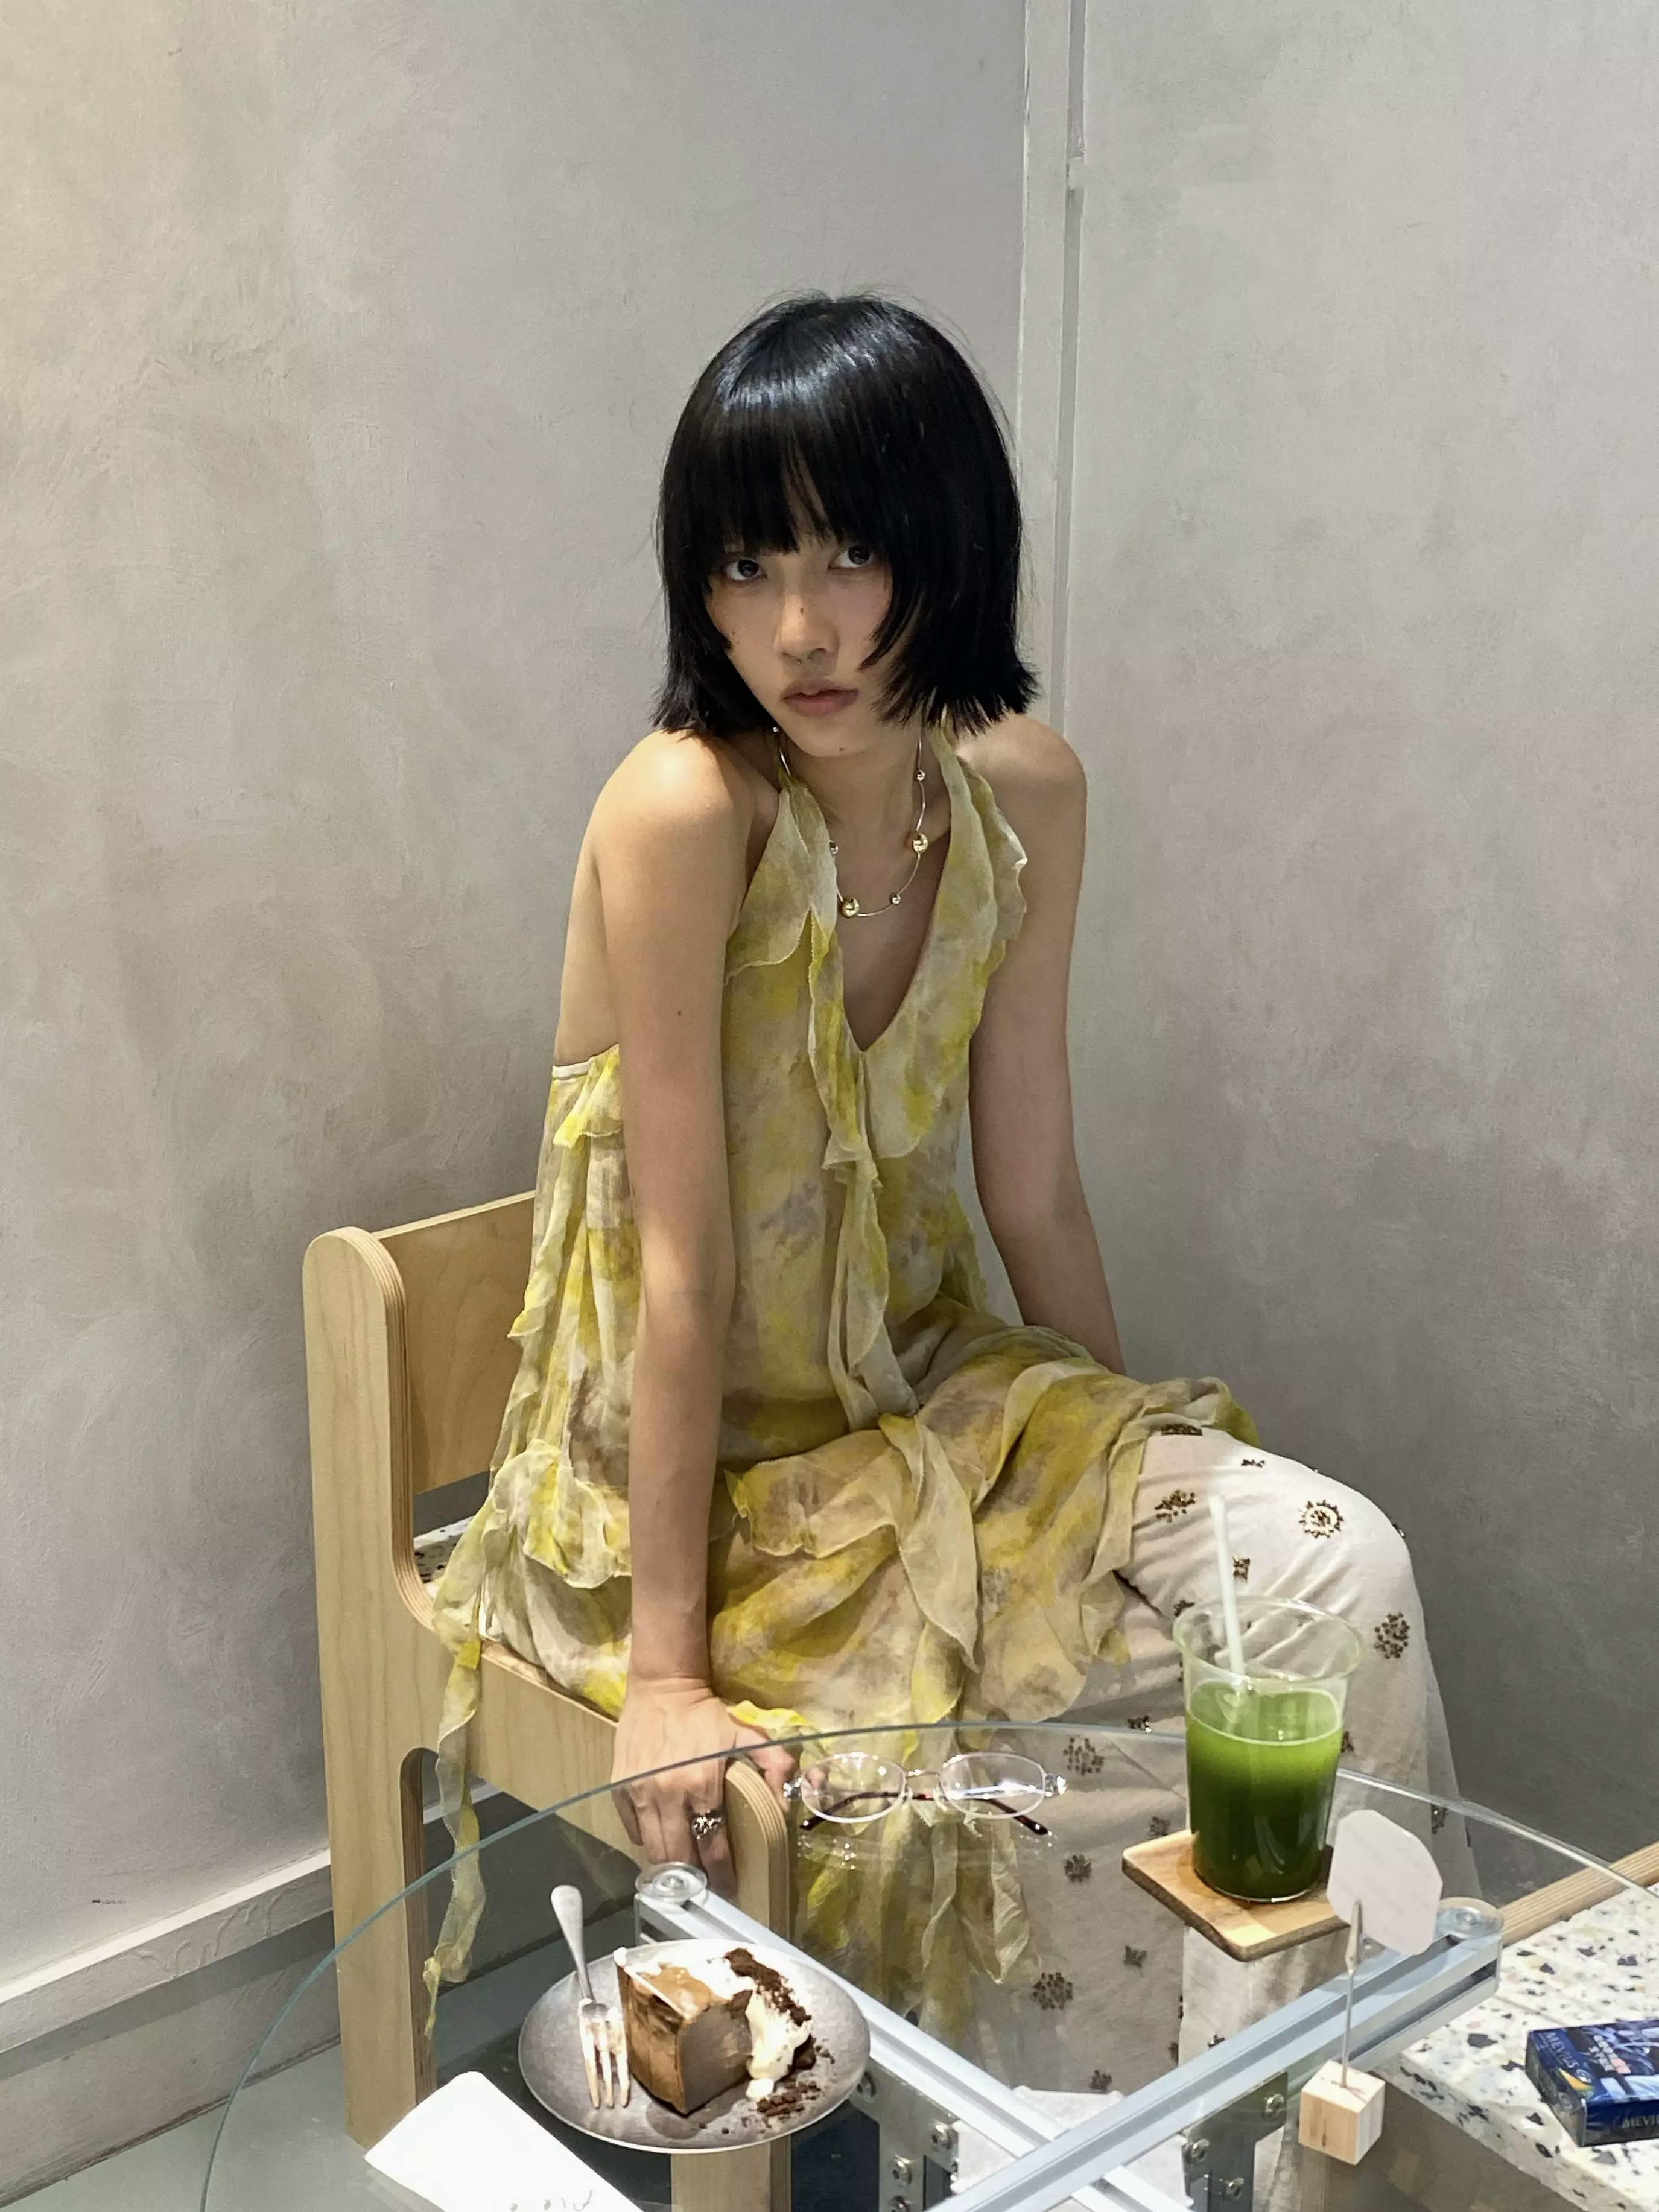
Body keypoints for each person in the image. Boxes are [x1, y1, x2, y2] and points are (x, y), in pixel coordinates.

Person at [424, 291, 1468, 2071]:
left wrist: (1113, 1470)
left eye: (854, 554)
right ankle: (1072, 2149)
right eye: (747, 566)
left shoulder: (1021, 799)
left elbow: (1034, 1191)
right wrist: (665, 1677)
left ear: (953, 546)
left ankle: (1314, 2126)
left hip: (923, 1408)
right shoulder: (686, 813)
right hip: (692, 1483)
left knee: (1332, 1569)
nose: (800, 627)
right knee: (1004, 1782)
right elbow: (685, 1273)